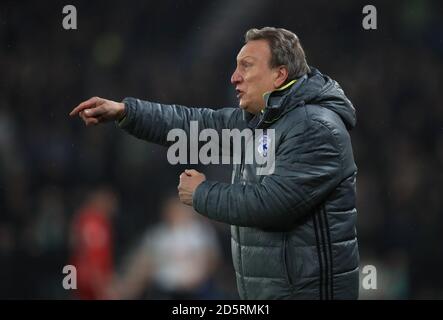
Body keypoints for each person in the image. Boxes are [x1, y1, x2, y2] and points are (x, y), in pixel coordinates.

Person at [70, 27, 359, 299]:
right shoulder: (262, 122)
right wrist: (126, 112)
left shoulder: (315, 126)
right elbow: (191, 123)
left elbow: (273, 204)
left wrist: (201, 193)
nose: (234, 77)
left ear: (279, 75)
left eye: (246, 65)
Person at [109, 196, 221, 300]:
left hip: (195, 290)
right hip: (165, 290)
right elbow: (143, 264)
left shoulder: (199, 231)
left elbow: (211, 259)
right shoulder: (158, 234)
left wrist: (198, 277)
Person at [69, 187, 118, 299]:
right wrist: (101, 282)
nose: (113, 208)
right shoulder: (97, 222)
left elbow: (72, 244)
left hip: (78, 273)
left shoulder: (80, 217)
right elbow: (94, 255)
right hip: (92, 276)